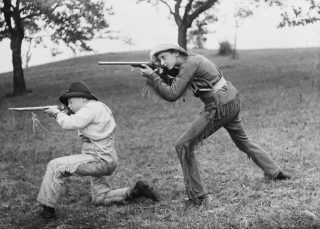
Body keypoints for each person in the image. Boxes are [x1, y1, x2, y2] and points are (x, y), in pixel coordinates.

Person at [139, 44, 291, 206]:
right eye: (159, 60)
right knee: (243, 141)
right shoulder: (192, 59)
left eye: (164, 57)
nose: (162, 62)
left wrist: (152, 76)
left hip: (219, 105)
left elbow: (172, 94)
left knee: (183, 145)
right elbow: (178, 80)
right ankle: (275, 172)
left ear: (176, 52)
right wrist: (158, 72)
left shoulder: (189, 65)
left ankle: (198, 196)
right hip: (230, 98)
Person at [37, 81, 159, 220]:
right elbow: (81, 121)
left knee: (55, 166)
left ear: (83, 98)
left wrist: (57, 114)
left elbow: (71, 123)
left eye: (70, 101)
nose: (69, 105)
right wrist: (65, 113)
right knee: (100, 198)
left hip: (97, 159)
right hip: (107, 158)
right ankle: (135, 191)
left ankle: (47, 210)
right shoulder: (99, 107)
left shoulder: (90, 109)